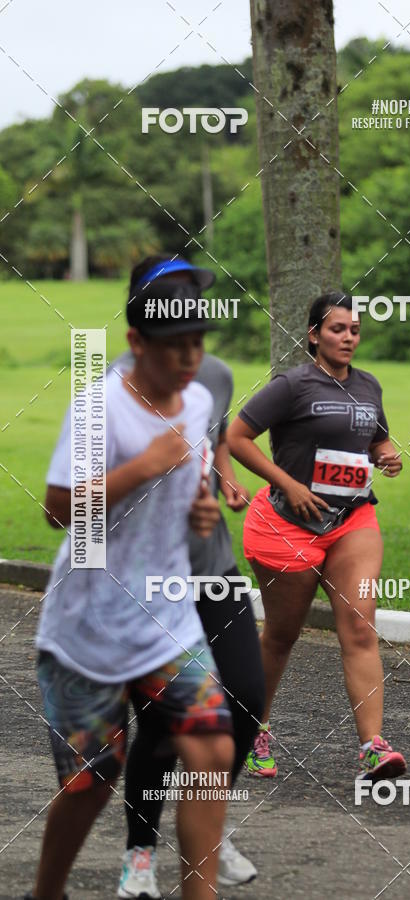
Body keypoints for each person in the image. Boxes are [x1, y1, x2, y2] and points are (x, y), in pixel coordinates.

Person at [27, 278, 234, 900]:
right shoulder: (101, 409)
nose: (190, 358)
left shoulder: (197, 402)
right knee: (92, 780)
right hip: (88, 624)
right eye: (175, 346)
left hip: (167, 618)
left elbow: (188, 485)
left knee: (212, 748)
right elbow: (58, 509)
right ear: (135, 342)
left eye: (198, 344)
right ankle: (47, 891)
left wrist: (202, 508)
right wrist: (142, 464)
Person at [109, 256, 264, 897]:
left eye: (194, 296)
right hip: (148, 583)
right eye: (174, 296)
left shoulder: (216, 376)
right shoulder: (111, 391)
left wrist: (223, 478)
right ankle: (140, 853)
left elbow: (214, 434)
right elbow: (74, 503)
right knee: (164, 722)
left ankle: (209, 818)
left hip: (214, 568)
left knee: (247, 700)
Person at [227, 291, 407, 782]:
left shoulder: (369, 386)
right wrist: (287, 484)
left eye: (353, 330)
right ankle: (251, 729)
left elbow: (378, 441)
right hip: (288, 524)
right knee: (282, 635)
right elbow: (236, 438)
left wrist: (388, 457)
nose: (347, 337)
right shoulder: (292, 385)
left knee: (359, 627)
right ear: (313, 335)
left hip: (352, 522)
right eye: (337, 329)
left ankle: (373, 745)